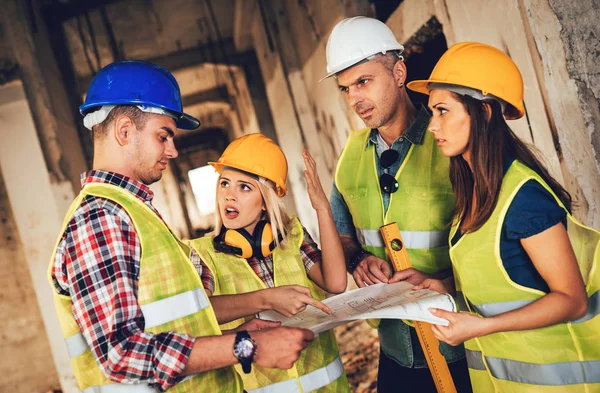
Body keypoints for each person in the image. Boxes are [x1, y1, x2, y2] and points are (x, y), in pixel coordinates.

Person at [48, 60, 314, 393]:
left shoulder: (134, 213)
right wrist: (247, 347)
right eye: (164, 136)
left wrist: (242, 329)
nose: (173, 151)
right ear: (125, 131)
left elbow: (180, 316)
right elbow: (121, 354)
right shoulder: (100, 219)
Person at [406, 41, 600, 391]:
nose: (433, 126)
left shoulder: (524, 197)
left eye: (443, 111)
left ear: (483, 112)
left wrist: (479, 327)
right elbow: (501, 282)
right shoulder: (472, 192)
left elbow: (572, 300)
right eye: (432, 112)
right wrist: (443, 287)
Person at [321, 16, 472, 392]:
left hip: (462, 345)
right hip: (393, 352)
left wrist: (444, 284)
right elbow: (343, 238)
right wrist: (358, 261)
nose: (355, 98)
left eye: (364, 81)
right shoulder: (351, 156)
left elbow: (491, 251)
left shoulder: (451, 146)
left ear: (399, 72)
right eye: (346, 88)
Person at [189, 133, 350, 392]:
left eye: (244, 187)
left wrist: (322, 209)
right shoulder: (203, 252)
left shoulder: (292, 235)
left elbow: (336, 282)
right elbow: (199, 314)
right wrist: (267, 298)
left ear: (266, 201)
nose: (229, 195)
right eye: (225, 183)